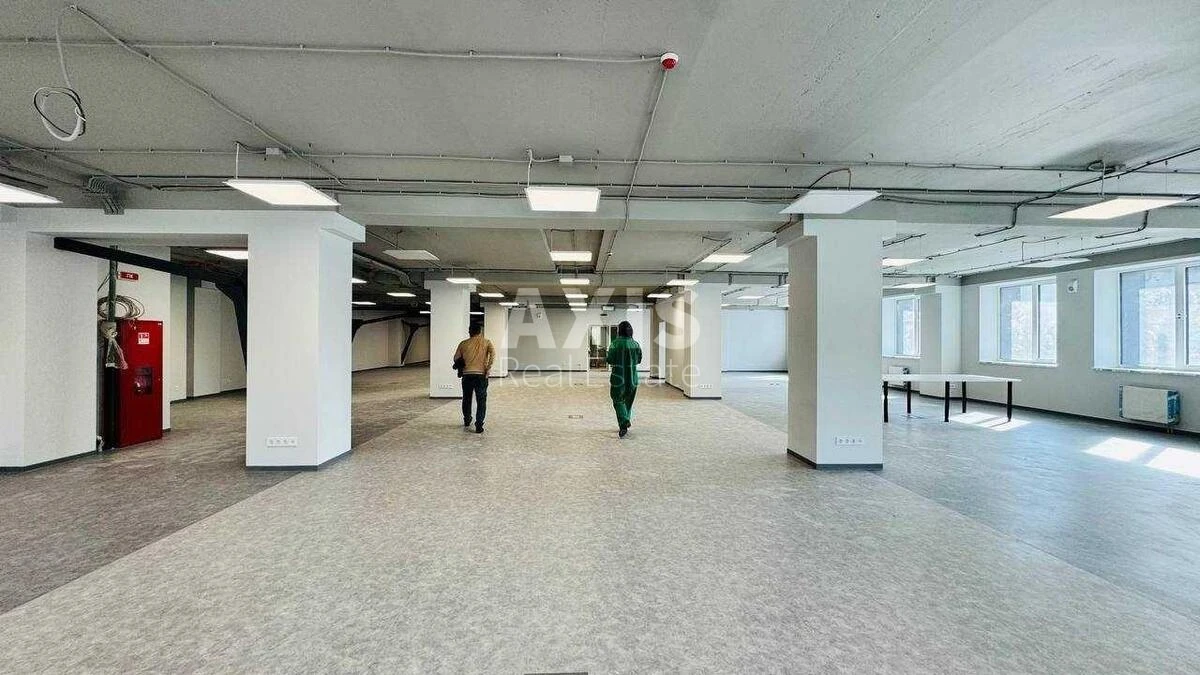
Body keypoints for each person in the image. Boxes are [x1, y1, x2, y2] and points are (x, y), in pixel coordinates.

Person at [454, 323, 495, 434]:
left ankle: (467, 419)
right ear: (480, 331)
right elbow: (493, 354)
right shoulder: (487, 342)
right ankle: (479, 424)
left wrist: (462, 365)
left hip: (467, 375)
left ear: (469, 332)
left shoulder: (463, 343)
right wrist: (488, 367)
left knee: (467, 398)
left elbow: (456, 358)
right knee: (481, 400)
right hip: (481, 375)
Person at [606, 320, 642, 438]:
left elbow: (610, 360)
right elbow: (639, 360)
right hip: (632, 377)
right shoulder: (635, 344)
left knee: (617, 400)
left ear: (619, 331)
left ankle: (624, 421)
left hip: (618, 377)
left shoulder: (615, 344)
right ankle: (625, 422)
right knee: (628, 401)